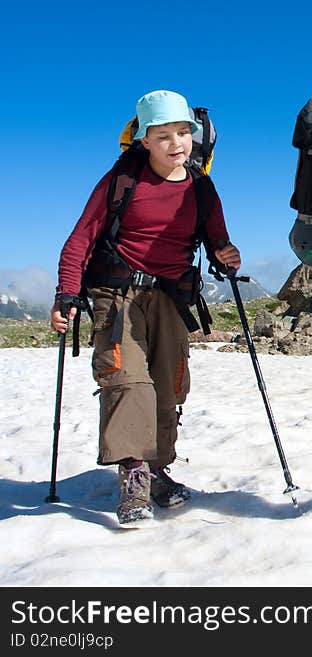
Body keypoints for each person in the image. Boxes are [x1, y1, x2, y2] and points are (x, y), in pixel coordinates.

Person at [50, 90, 241, 525]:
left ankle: (157, 468)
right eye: (163, 135)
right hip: (117, 296)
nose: (176, 143)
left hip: (171, 298)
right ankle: (134, 476)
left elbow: (218, 241)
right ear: (144, 141)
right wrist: (67, 293)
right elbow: (81, 238)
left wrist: (228, 254)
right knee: (127, 380)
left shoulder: (202, 188)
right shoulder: (121, 181)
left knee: (168, 385)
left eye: (183, 133)